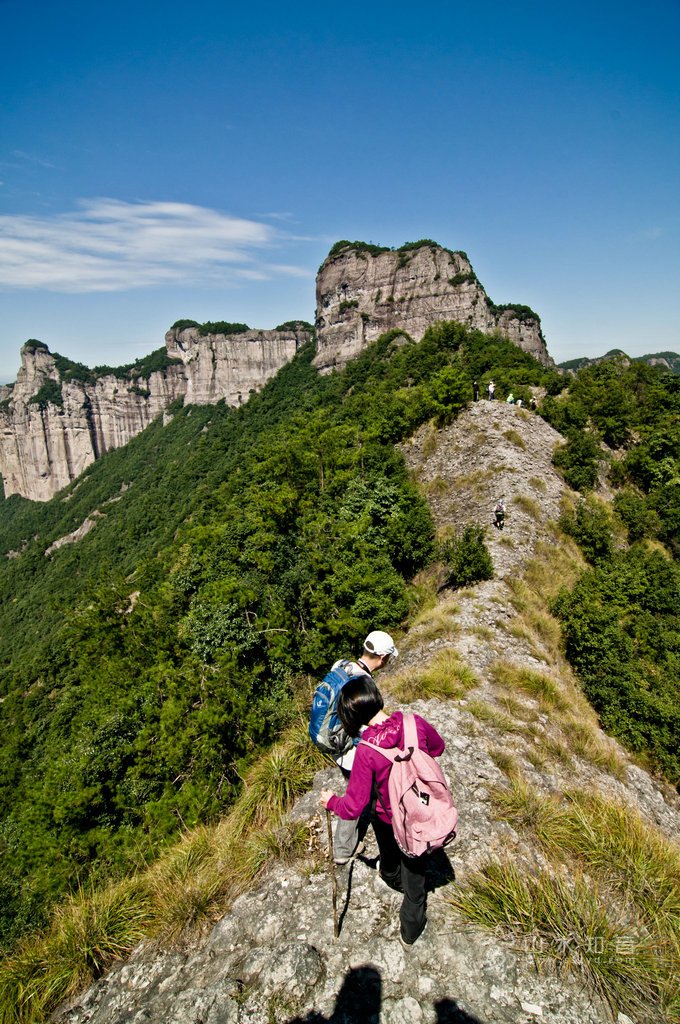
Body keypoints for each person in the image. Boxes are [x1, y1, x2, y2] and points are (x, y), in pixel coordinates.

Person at [320, 676, 445, 947]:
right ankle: (410, 930)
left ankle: (392, 877)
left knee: (391, 864)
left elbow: (354, 806)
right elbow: (438, 747)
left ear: (352, 716)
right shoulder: (414, 723)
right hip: (422, 809)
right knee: (416, 869)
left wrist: (330, 801)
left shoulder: (366, 752)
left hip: (390, 819)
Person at [325, 631, 398, 866]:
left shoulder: (342, 665)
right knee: (359, 796)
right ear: (384, 657)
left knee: (355, 791)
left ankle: (344, 844)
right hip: (351, 750)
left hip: (336, 742)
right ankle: (343, 848)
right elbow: (366, 724)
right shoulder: (365, 682)